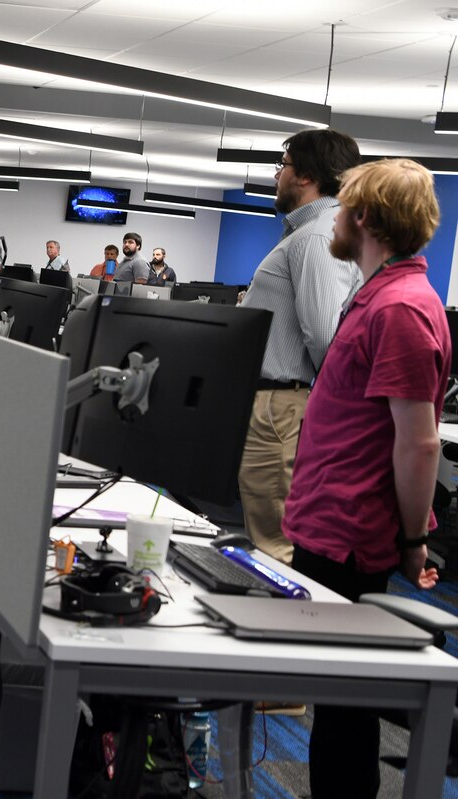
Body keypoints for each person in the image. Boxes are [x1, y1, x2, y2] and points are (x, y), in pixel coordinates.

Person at [282, 157, 448, 799]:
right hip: (329, 518)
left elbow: (419, 442)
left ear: (367, 218)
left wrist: (413, 541)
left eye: (344, 205)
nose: (335, 218)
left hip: (352, 529)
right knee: (334, 695)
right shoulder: (377, 293)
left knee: (345, 702)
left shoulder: (401, 308)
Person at [238, 128, 362, 563]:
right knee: (268, 532)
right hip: (278, 404)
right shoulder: (311, 233)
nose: (277, 176)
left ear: (306, 175)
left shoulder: (314, 238)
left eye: (283, 166)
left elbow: (326, 337)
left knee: (276, 543)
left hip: (280, 407)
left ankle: (283, 623)